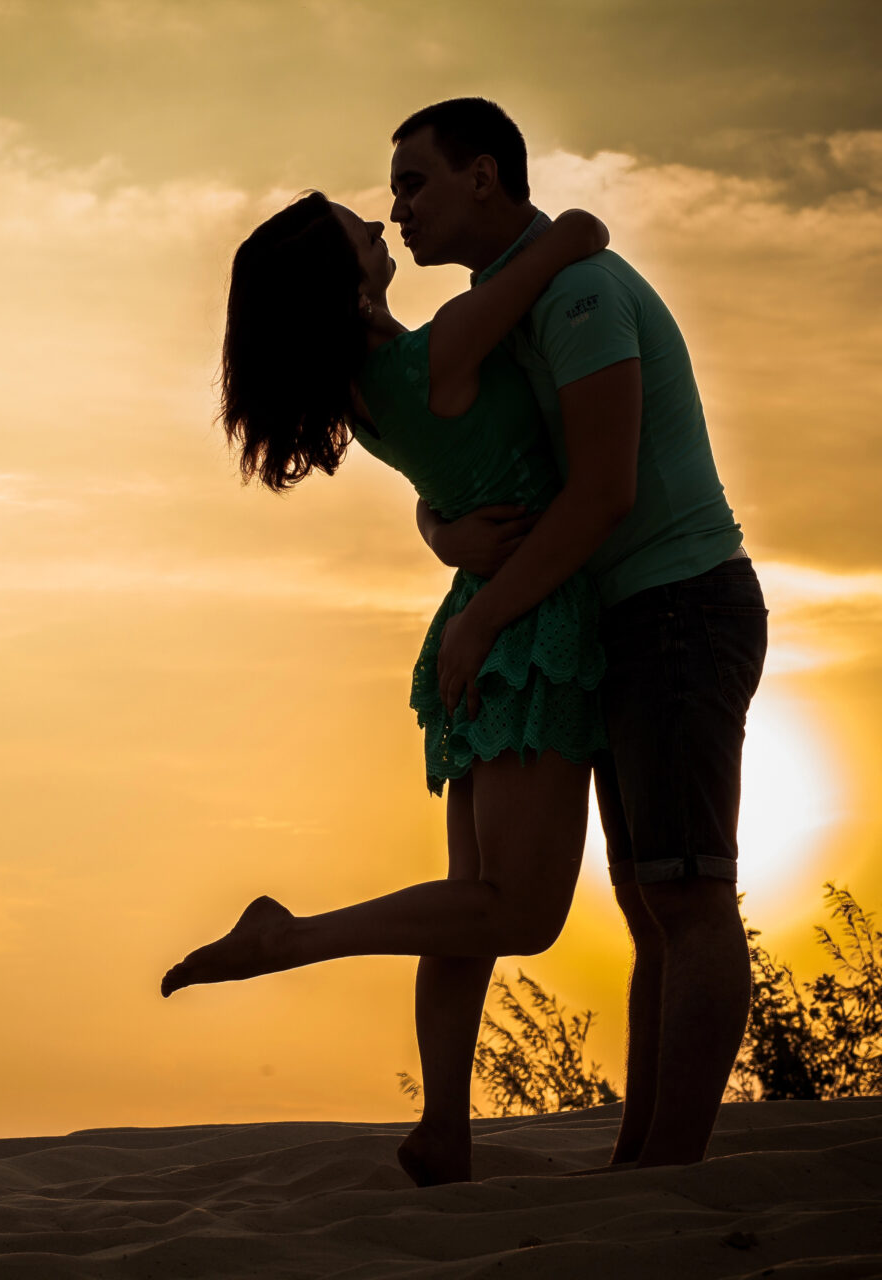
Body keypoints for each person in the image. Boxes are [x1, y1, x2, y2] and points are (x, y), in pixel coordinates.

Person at [160, 191, 615, 1186]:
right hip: (528, 625)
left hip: (478, 618)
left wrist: (440, 531)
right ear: (342, 276)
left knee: (467, 904)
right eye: (356, 227)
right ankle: (293, 937)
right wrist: (564, 234)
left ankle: (444, 1126)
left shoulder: (366, 388)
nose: (379, 223)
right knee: (518, 912)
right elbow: (577, 236)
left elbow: (436, 482)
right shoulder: (440, 348)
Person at [391, 97, 767, 1170]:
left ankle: (668, 1179)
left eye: (415, 181)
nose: (400, 208)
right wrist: (441, 529)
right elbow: (459, 471)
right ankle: (642, 1168)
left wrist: (484, 625)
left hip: (680, 601)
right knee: (649, 903)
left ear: (482, 175)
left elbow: (601, 491)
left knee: (689, 895)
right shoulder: (509, 310)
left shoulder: (582, 293)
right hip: (611, 619)